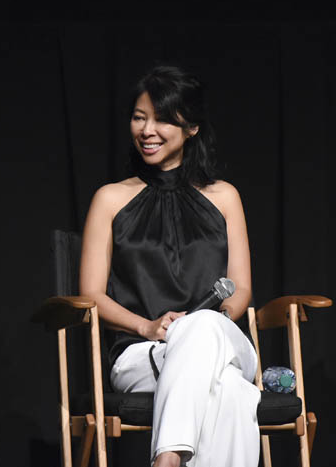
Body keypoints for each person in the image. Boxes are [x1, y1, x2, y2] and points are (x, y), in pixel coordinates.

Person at [79, 65, 260, 467]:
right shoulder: (109, 199)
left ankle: (168, 457)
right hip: (142, 352)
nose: (147, 130)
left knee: (202, 329)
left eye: (162, 119)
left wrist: (202, 326)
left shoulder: (225, 197)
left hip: (223, 342)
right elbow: (90, 295)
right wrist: (147, 327)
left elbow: (241, 287)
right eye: (139, 117)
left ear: (191, 127)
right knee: (231, 393)